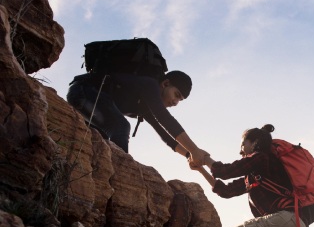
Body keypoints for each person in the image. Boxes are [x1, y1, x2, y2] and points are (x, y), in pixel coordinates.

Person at [66, 69, 209, 163]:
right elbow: (165, 119)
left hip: (90, 102)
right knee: (121, 126)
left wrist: (189, 155)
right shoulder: (150, 85)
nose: (176, 102)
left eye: (180, 100)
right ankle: (120, 175)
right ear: (165, 84)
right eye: (176, 95)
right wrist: (194, 150)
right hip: (82, 92)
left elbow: (166, 136)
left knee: (102, 138)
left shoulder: (145, 105)